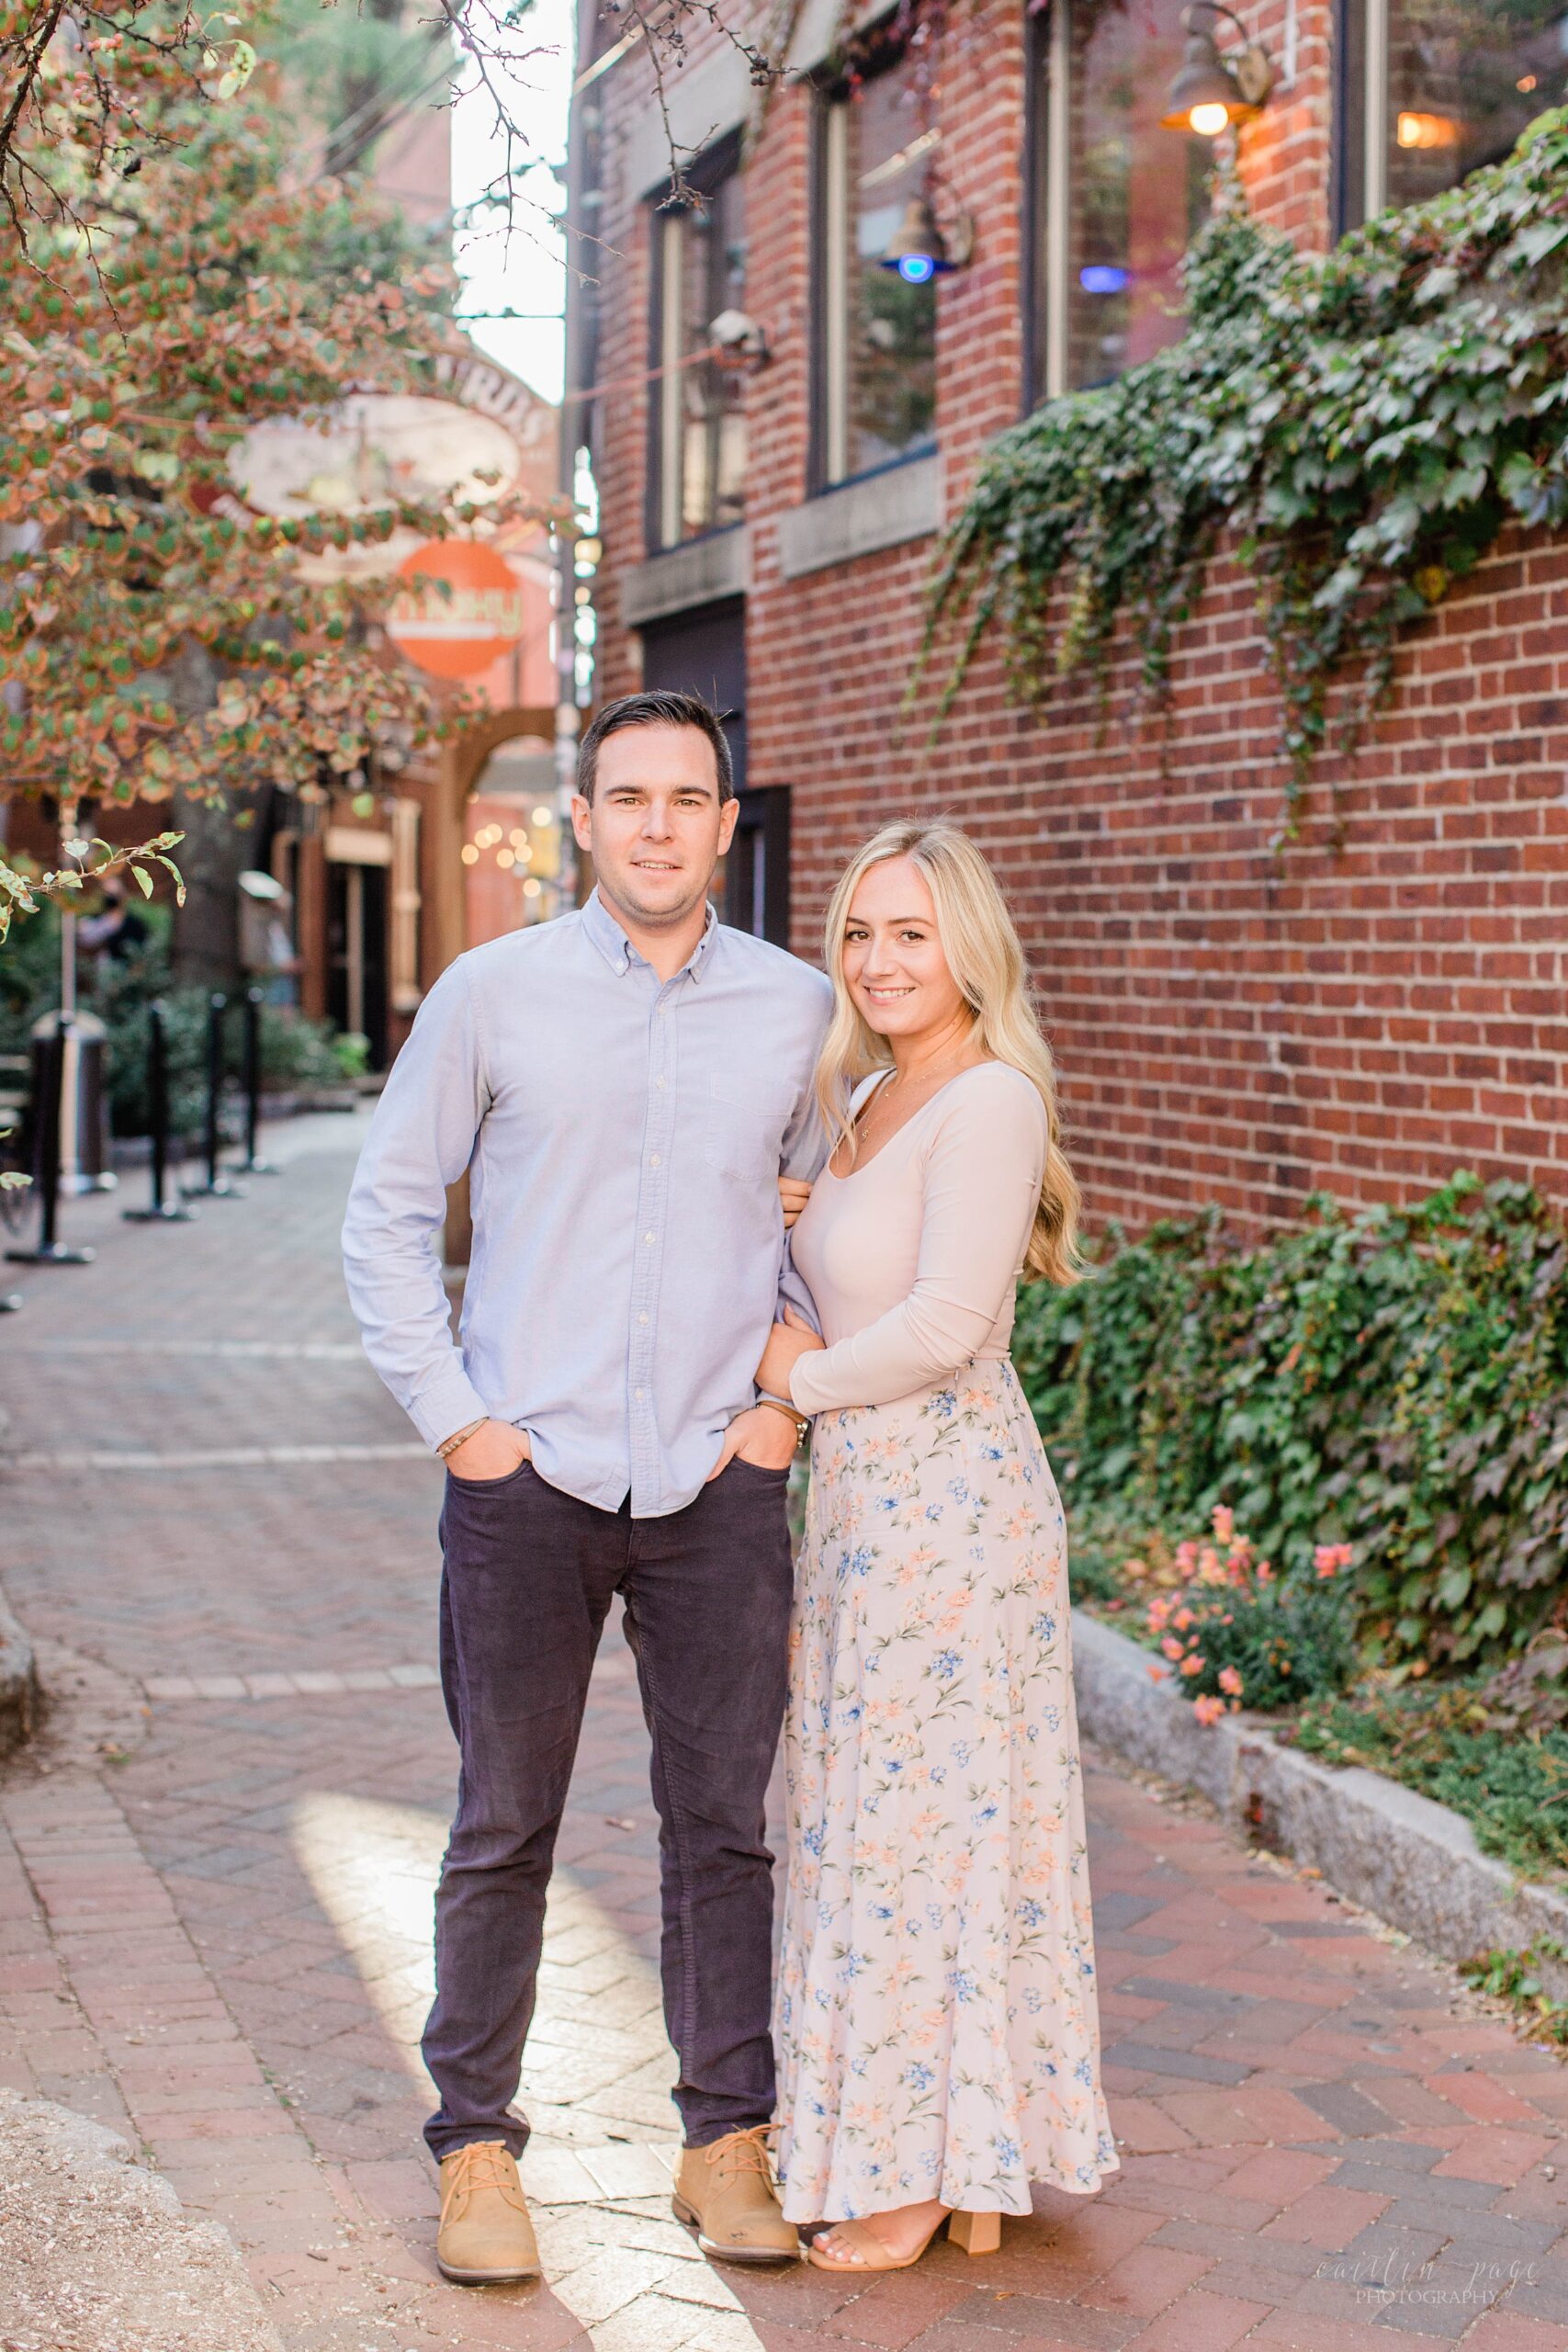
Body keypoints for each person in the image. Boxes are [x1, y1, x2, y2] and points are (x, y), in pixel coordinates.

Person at [342, 690, 832, 2286]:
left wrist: (781, 1412)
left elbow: (836, 1225)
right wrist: (461, 1425)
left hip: (716, 1480)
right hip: (528, 1480)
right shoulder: (496, 994)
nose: (656, 825)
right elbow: (389, 1215)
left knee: (724, 1832)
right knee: (501, 1824)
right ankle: (476, 2150)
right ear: (585, 820)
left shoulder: (800, 1013)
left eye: (687, 800)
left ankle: (724, 2142)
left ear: (724, 824)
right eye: (628, 797)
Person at [756, 820, 1119, 2273]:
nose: (881, 960)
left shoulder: (990, 1099)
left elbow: (949, 1326)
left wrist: (792, 1379)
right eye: (859, 933)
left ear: (969, 944)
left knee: (931, 1837)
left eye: (912, 932)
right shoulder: (869, 1093)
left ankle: (918, 2174)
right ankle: (972, 2150)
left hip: (950, 1512)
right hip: (863, 1507)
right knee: (898, 1821)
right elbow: (864, 1268)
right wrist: (808, 1212)